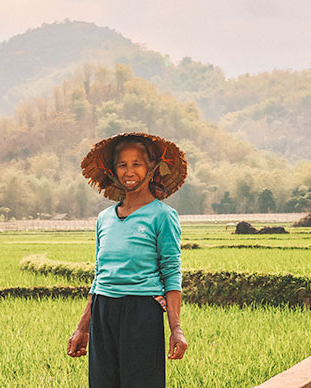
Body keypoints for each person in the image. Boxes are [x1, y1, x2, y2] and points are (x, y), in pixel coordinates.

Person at [67, 132, 189, 388]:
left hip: (142, 310)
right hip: (103, 309)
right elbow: (100, 274)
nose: (129, 171)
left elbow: (171, 272)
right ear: (113, 171)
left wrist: (175, 328)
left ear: (152, 168)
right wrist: (83, 327)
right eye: (122, 164)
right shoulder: (104, 218)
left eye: (137, 163)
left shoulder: (163, 216)